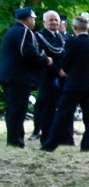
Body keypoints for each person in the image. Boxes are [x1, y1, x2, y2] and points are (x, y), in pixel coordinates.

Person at [43, 13, 89, 153]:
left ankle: (51, 144)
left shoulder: (71, 42)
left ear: (75, 27)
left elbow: (67, 62)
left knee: (63, 114)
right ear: (87, 27)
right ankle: (88, 145)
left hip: (74, 85)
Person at [1, 6, 50, 148]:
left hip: (8, 76)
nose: (34, 22)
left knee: (12, 109)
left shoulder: (11, 31)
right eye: (33, 19)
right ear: (28, 19)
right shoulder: (24, 32)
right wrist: (45, 59)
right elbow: (28, 52)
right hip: (19, 77)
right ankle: (16, 140)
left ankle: (13, 138)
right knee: (18, 109)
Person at [32, 11, 67, 141]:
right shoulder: (39, 37)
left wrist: (65, 70)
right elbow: (41, 57)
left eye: (56, 20)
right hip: (47, 76)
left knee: (63, 106)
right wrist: (57, 70)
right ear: (44, 22)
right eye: (51, 20)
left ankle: (61, 135)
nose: (54, 22)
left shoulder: (63, 37)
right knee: (47, 107)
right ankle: (45, 136)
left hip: (64, 77)